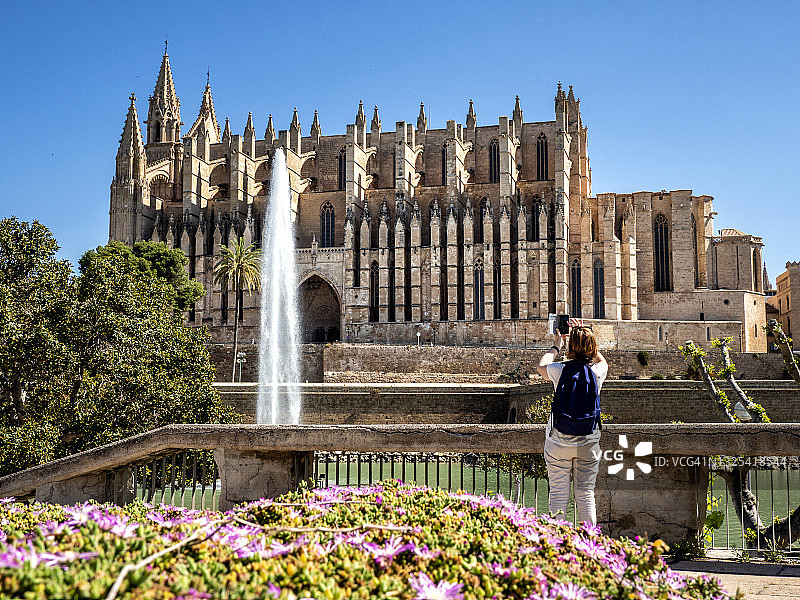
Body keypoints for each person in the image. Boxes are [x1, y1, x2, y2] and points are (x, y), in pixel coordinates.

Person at [537, 318, 607, 525]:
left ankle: (556, 541)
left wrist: (557, 344)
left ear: (570, 348)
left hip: (558, 441)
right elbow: (602, 361)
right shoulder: (598, 371)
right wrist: (585, 335)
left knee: (558, 494)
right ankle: (590, 541)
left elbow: (541, 366)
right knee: (586, 494)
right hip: (588, 441)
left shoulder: (559, 370)